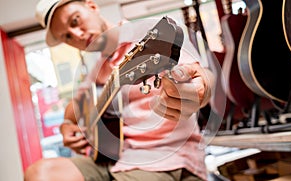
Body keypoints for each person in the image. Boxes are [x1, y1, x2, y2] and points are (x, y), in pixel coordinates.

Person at [24, 0, 215, 180]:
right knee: (39, 173)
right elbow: (75, 105)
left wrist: (200, 90)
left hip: (166, 160)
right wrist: (66, 124)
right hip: (112, 158)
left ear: (91, 6)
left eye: (75, 20)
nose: (77, 35)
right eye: (67, 36)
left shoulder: (154, 40)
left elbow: (201, 77)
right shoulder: (97, 71)